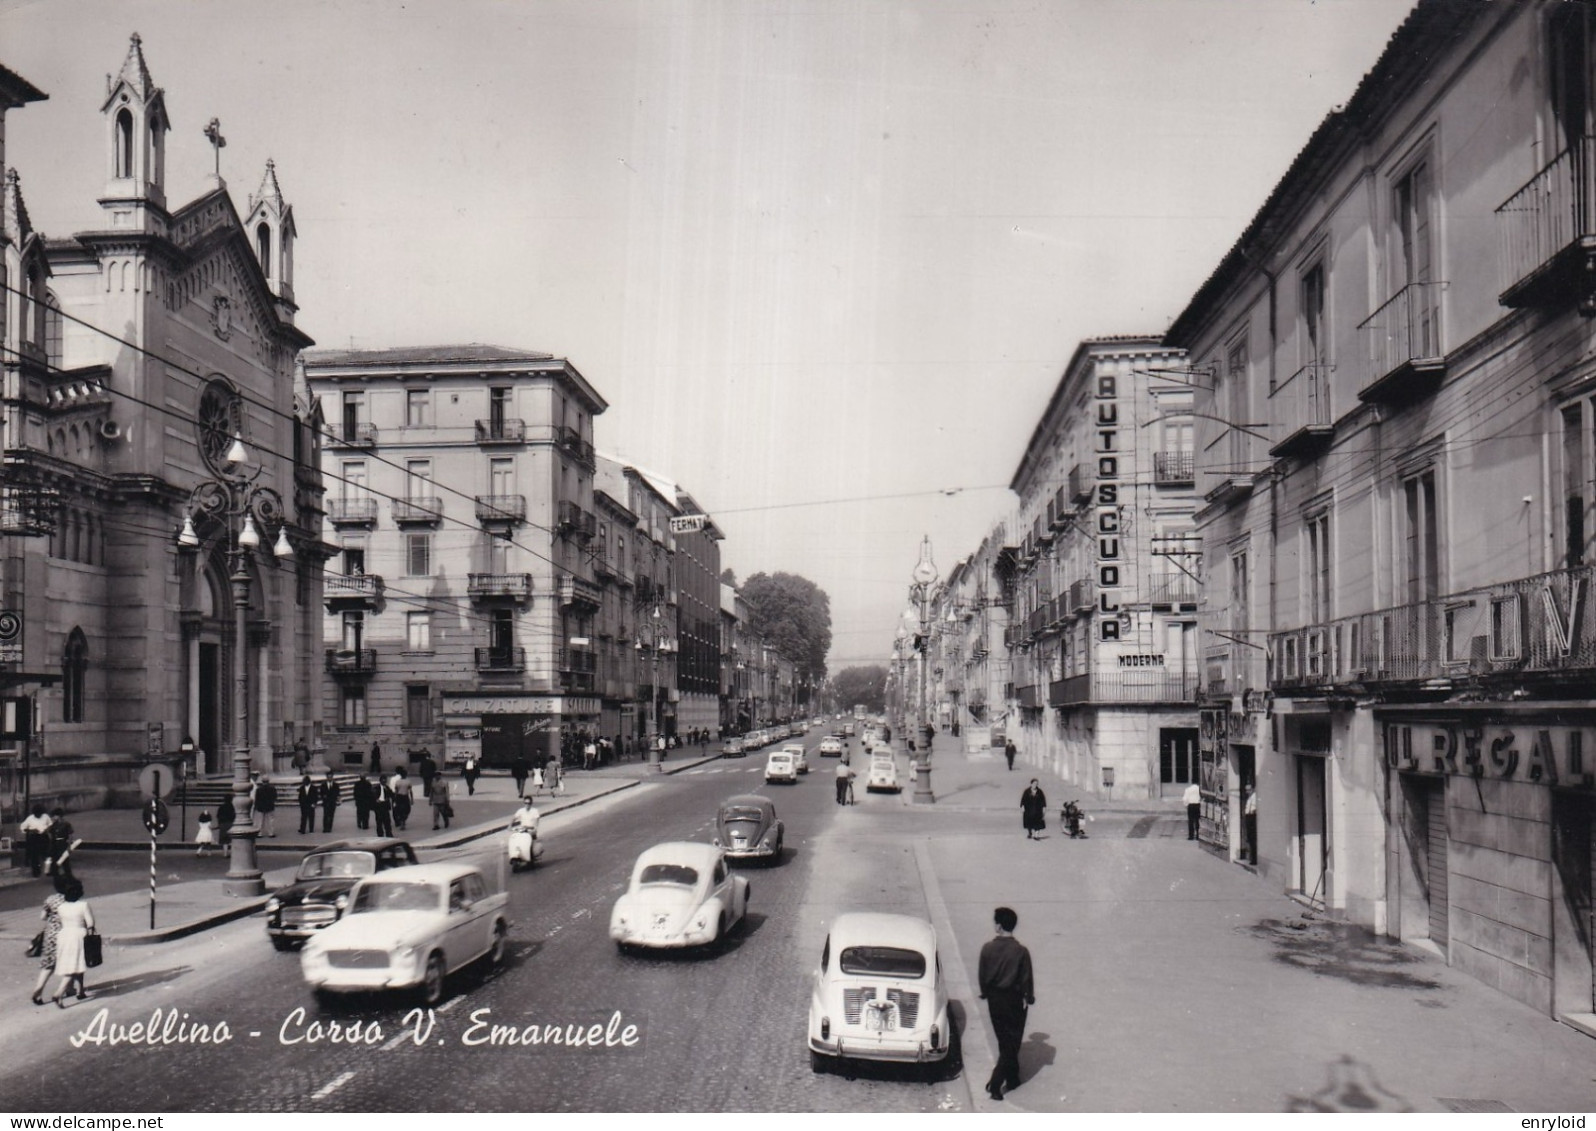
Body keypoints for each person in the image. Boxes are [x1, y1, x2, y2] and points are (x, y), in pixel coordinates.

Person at [978, 906, 1034, 1101]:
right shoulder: (1021, 951)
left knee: (1004, 1041)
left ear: (999, 926)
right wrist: (1029, 997)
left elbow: (982, 976)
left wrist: (985, 993)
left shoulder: (987, 949)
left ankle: (1013, 1078)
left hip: (994, 1000)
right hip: (1013, 1000)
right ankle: (995, 1084)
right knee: (1012, 1044)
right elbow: (1026, 978)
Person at [49, 880, 95, 1007]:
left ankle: (80, 990)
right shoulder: (83, 905)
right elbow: (90, 923)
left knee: (75, 963)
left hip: (64, 936)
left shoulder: (61, 907)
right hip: (78, 935)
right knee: (75, 966)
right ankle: (58, 993)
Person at [30, 876, 67, 1006]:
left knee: (48, 965)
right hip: (65, 934)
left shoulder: (50, 899)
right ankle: (68, 988)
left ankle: (38, 989)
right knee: (69, 962)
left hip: (50, 935)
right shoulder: (70, 899)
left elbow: (43, 917)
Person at [20, 803, 51, 877]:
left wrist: (47, 829)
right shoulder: (30, 818)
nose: (38, 816)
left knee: (47, 855)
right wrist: (32, 830)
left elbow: (50, 824)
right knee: (34, 856)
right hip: (34, 838)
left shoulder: (45, 817)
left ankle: (48, 870)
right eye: (37, 814)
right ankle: (36, 872)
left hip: (44, 837)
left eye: (39, 814)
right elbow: (23, 827)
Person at [45, 810, 77, 880]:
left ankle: (69, 875)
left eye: (54, 816)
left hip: (62, 842)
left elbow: (70, 834)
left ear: (58, 816)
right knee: (55, 858)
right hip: (55, 843)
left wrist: (69, 844)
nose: (53, 818)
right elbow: (48, 831)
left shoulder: (66, 824)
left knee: (64, 859)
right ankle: (55, 873)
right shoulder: (54, 825)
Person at [1243, 786, 1258, 863]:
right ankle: (1252, 858)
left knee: (1253, 839)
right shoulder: (1249, 798)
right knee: (1250, 838)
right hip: (1249, 817)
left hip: (1252, 817)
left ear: (1252, 790)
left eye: (1248, 790)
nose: (1247, 791)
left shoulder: (1254, 797)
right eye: (1246, 790)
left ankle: (1254, 859)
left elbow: (1254, 808)